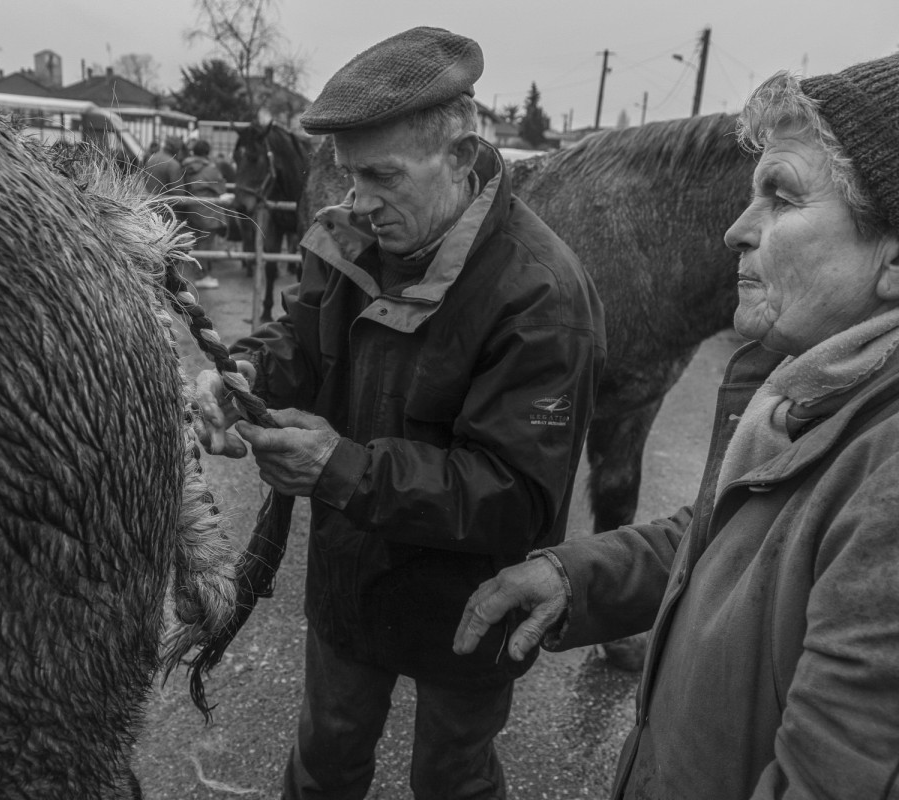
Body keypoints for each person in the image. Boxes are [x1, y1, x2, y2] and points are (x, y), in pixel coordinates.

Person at [455, 41, 899, 799]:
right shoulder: (842, 378)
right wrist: (578, 576)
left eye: (780, 197)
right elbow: (744, 539)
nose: (734, 230)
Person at [194, 26, 604, 800]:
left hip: (472, 600)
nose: (359, 201)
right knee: (326, 759)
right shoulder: (353, 236)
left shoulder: (543, 296)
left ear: (464, 158)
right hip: (355, 577)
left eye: (382, 175)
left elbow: (515, 495)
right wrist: (245, 371)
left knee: (453, 776)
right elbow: (306, 342)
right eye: (349, 175)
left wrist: (339, 468)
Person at [181, 139, 234, 289]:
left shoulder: (186, 166)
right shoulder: (210, 169)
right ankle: (202, 276)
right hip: (208, 213)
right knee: (206, 245)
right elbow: (221, 188)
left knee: (196, 244)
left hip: (192, 210)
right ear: (207, 153)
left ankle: (199, 274)